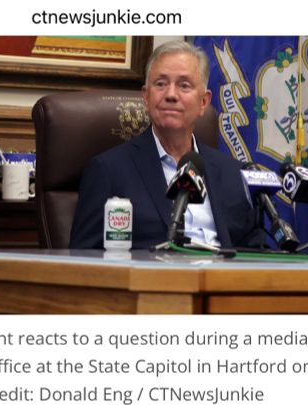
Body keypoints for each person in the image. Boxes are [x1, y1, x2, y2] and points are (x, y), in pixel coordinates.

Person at [70, 41, 259, 250]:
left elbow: (257, 253)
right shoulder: (108, 171)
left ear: (203, 102)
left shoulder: (233, 173)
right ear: (146, 97)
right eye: (160, 84)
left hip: (223, 280)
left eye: (184, 85)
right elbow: (84, 257)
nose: (171, 94)